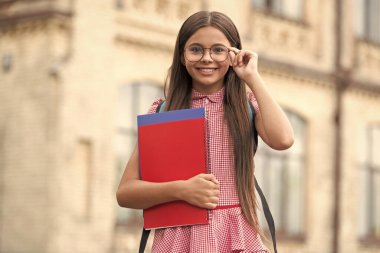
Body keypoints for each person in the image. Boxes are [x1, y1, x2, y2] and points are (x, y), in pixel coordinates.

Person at [117, 10, 294, 253]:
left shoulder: (246, 108)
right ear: (182, 55)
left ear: (234, 54)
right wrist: (181, 190)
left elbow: (284, 140)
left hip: (237, 238)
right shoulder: (163, 112)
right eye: (196, 49)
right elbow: (126, 192)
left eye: (219, 50)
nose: (207, 58)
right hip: (177, 241)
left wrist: (252, 77)